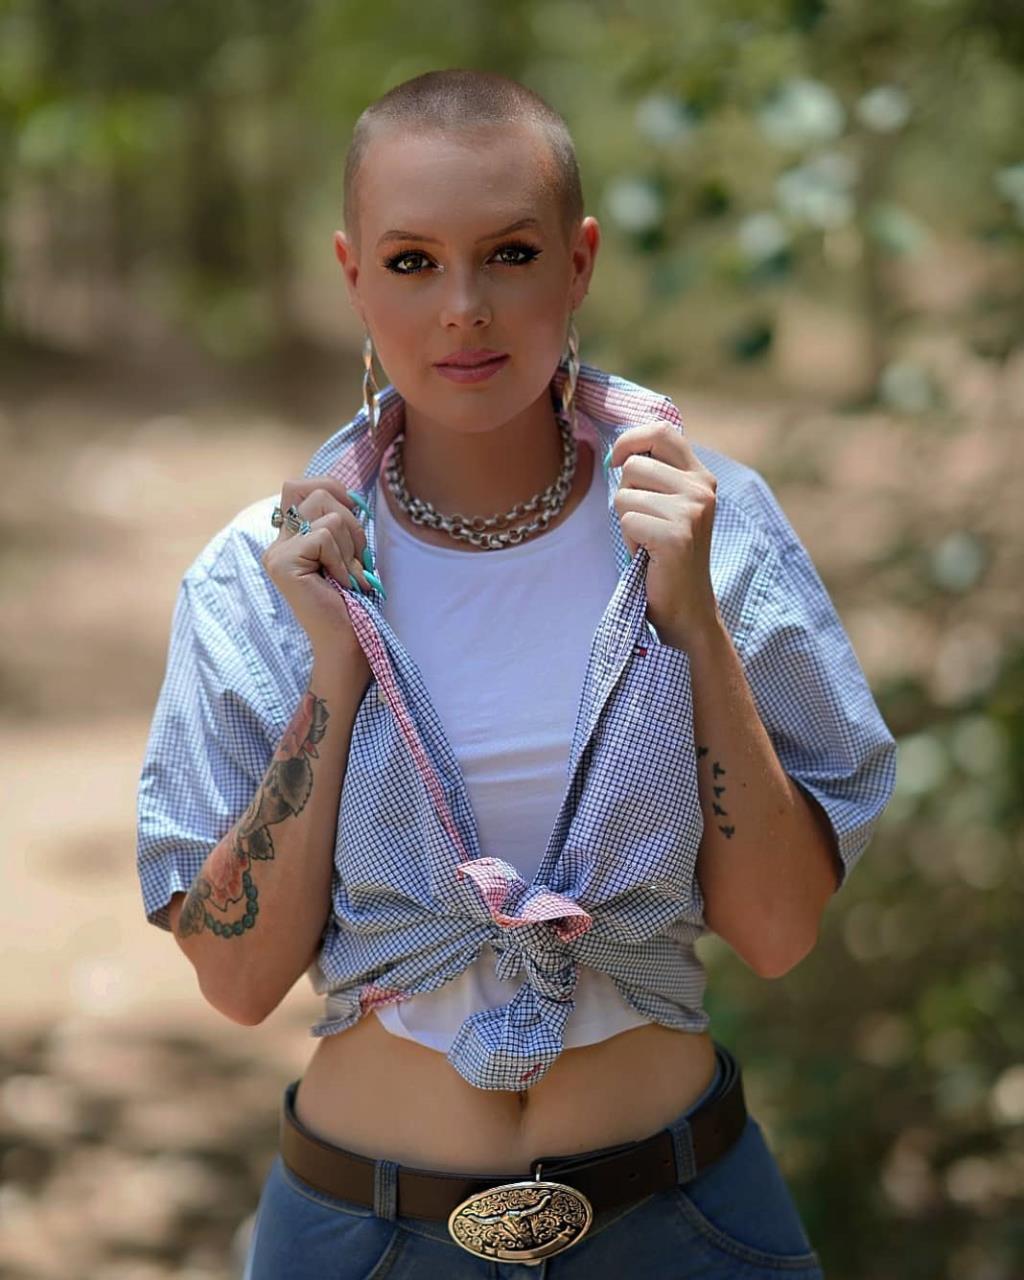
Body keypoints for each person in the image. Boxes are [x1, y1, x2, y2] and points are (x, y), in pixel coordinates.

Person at [135, 68, 897, 1278]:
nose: (463, 308)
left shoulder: (711, 525)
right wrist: (333, 670)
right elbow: (235, 976)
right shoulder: (254, 577)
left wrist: (695, 623)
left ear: (578, 263)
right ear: (352, 276)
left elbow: (775, 928)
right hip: (367, 1234)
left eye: (509, 253)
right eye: (412, 262)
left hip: (682, 1221)